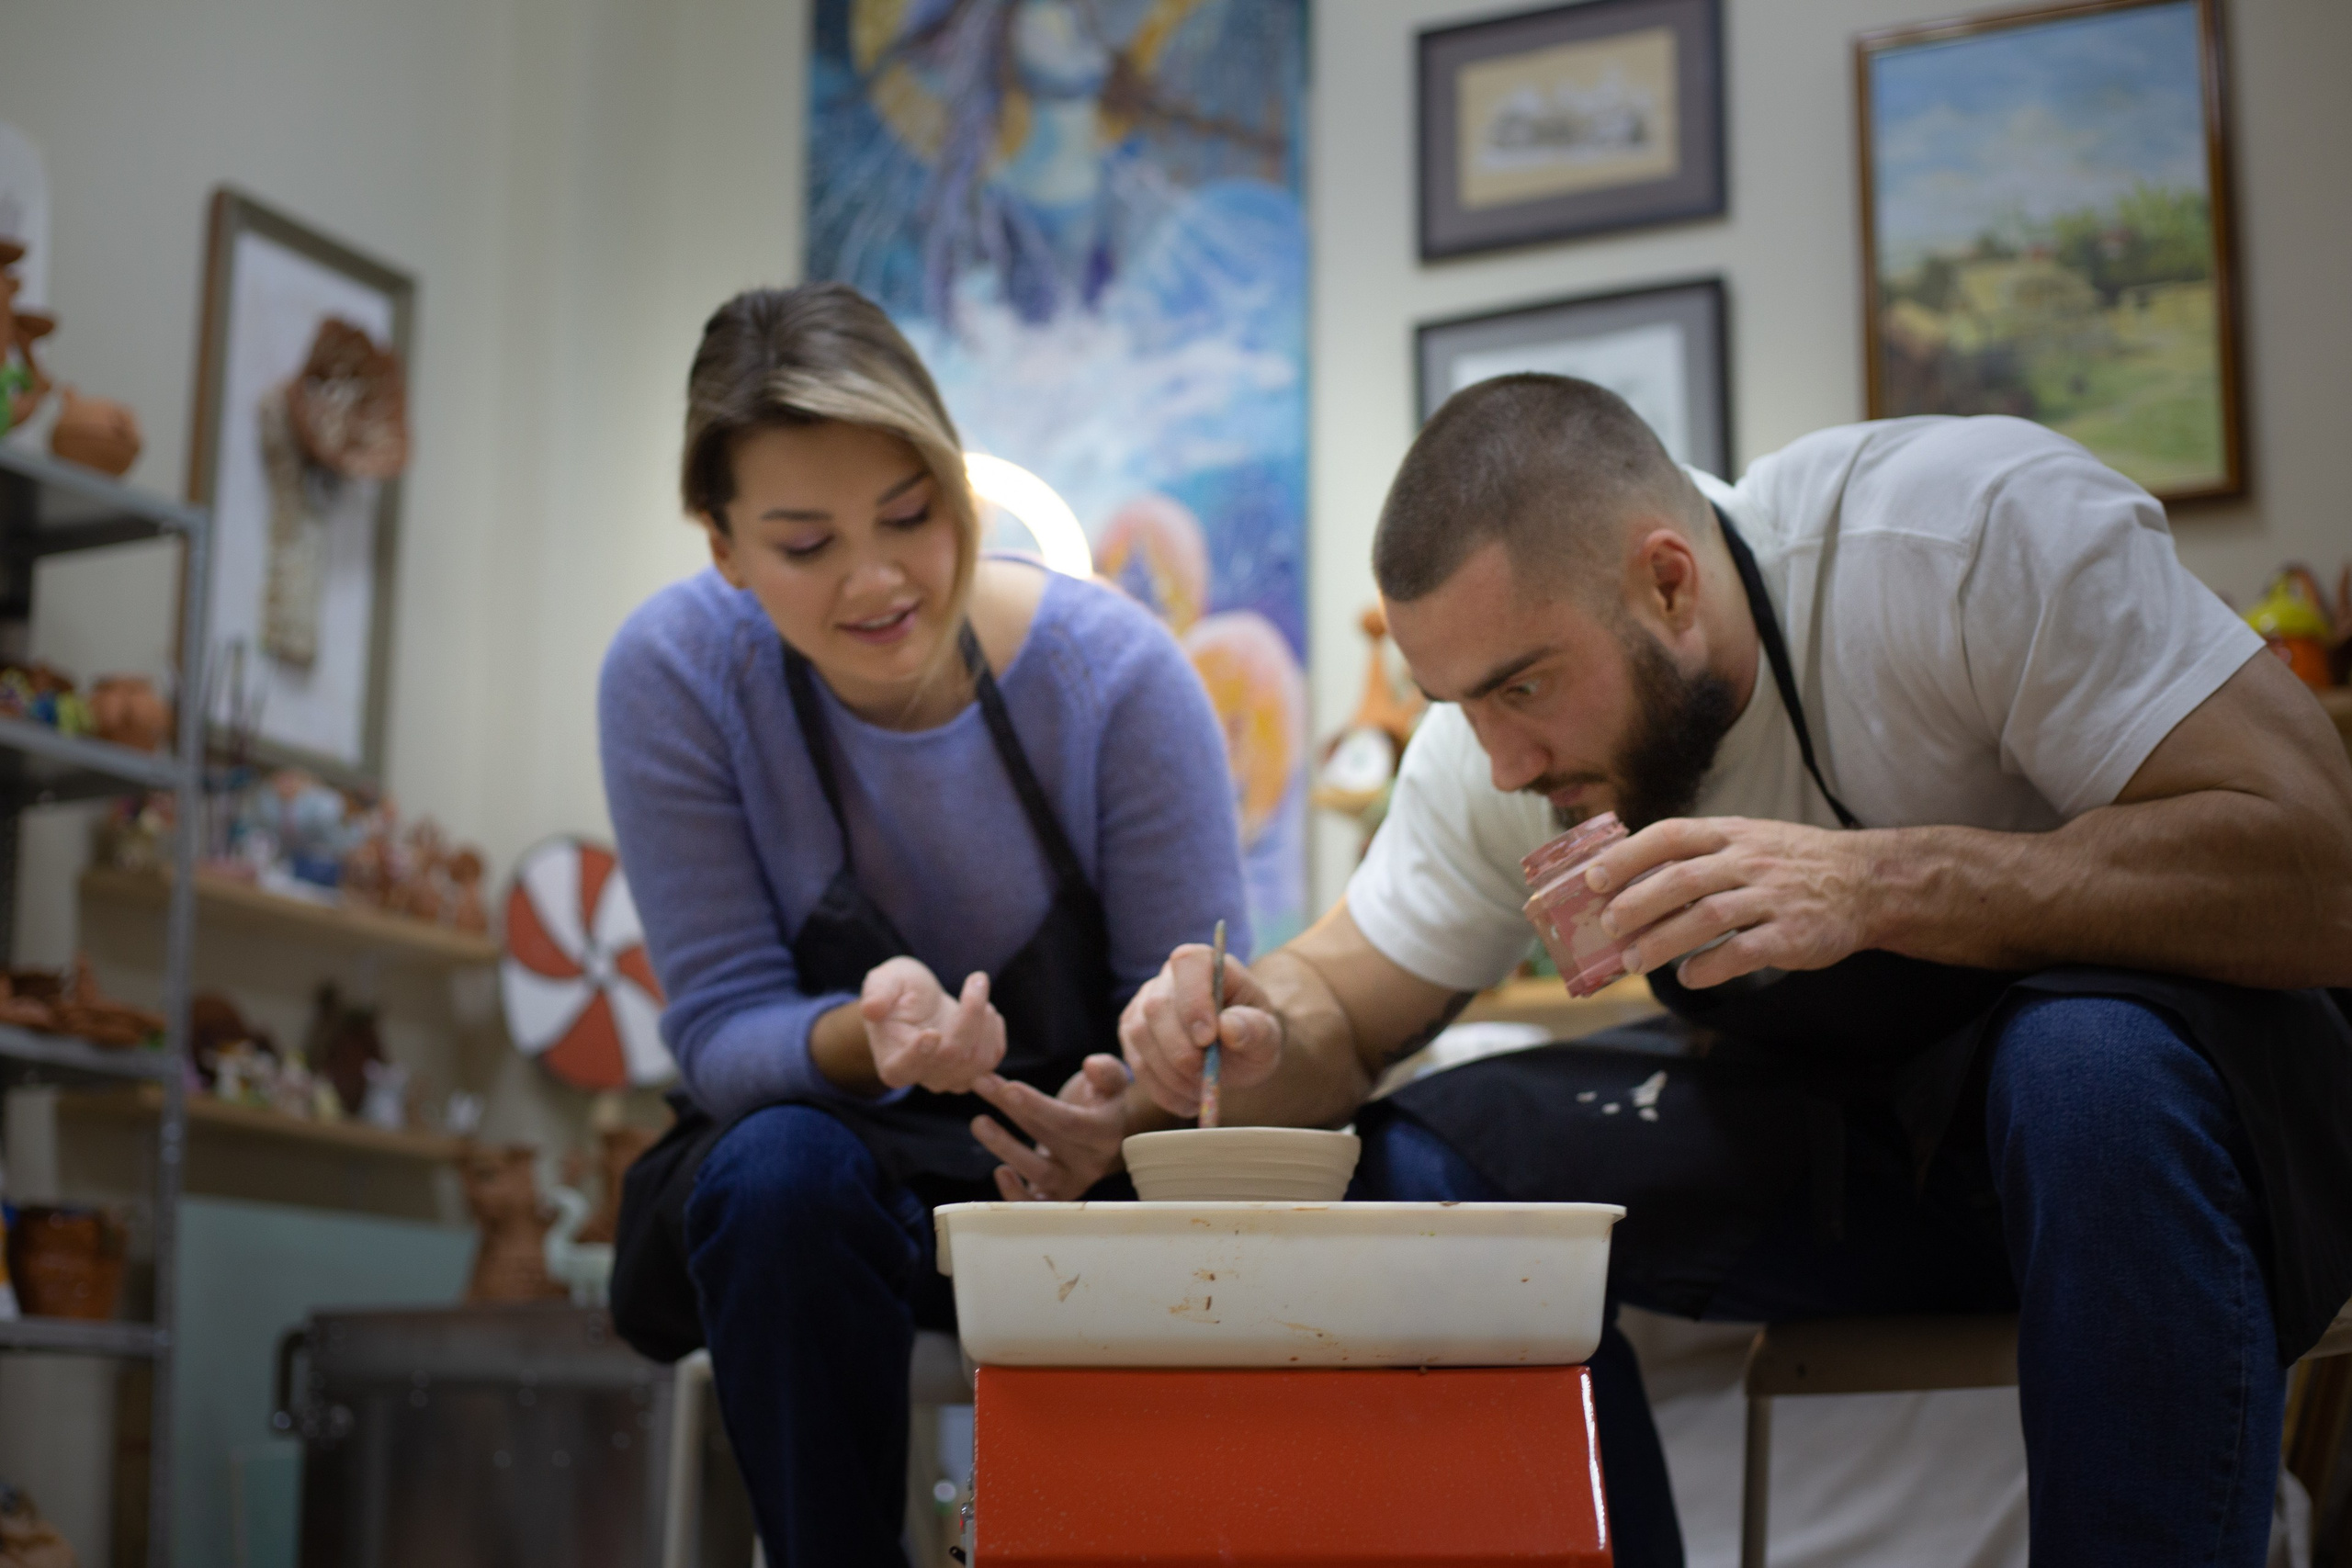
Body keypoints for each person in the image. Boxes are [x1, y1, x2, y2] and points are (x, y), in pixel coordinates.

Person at [1118, 376, 2352, 1566]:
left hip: (2156, 1159)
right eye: (1457, 705)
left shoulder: (1954, 539)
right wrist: (1253, 1026)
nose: (1499, 762)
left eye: (1523, 688)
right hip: (1877, 1181)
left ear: (1667, 583)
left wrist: (1881, 886)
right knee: (1422, 1166)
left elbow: (2325, 868)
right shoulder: (1497, 760)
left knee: (2084, 1065)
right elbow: (1338, 1001)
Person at [598, 284, 1245, 1562]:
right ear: (722, 547)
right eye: (804, 543)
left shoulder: (1117, 682)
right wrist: (861, 1038)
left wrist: (1134, 1102)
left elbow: (1203, 1026)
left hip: (1073, 1167)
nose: (879, 579)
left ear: (961, 485)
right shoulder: (675, 675)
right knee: (782, 1175)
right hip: (813, 1180)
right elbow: (721, 1027)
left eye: (911, 514)